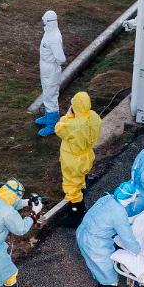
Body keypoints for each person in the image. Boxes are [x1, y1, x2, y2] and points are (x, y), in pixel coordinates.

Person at [76, 180, 141, 287]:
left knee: (95, 266)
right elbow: (127, 238)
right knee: (110, 277)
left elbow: (105, 218)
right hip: (95, 244)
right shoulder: (118, 213)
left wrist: (127, 220)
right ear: (128, 198)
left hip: (82, 234)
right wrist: (138, 251)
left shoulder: (107, 198)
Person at [54, 91, 103, 227]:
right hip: (86, 155)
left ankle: (76, 214)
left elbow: (58, 129)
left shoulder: (72, 124)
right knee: (81, 178)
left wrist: (69, 115)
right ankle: (81, 191)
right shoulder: (94, 117)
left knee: (71, 187)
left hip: (72, 160)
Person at [35, 10, 67, 137]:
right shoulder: (49, 33)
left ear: (49, 22)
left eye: (44, 21)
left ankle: (52, 124)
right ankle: (48, 116)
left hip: (51, 70)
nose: (43, 23)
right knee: (46, 92)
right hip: (46, 68)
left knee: (51, 95)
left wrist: (53, 66)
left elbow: (61, 58)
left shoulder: (54, 37)